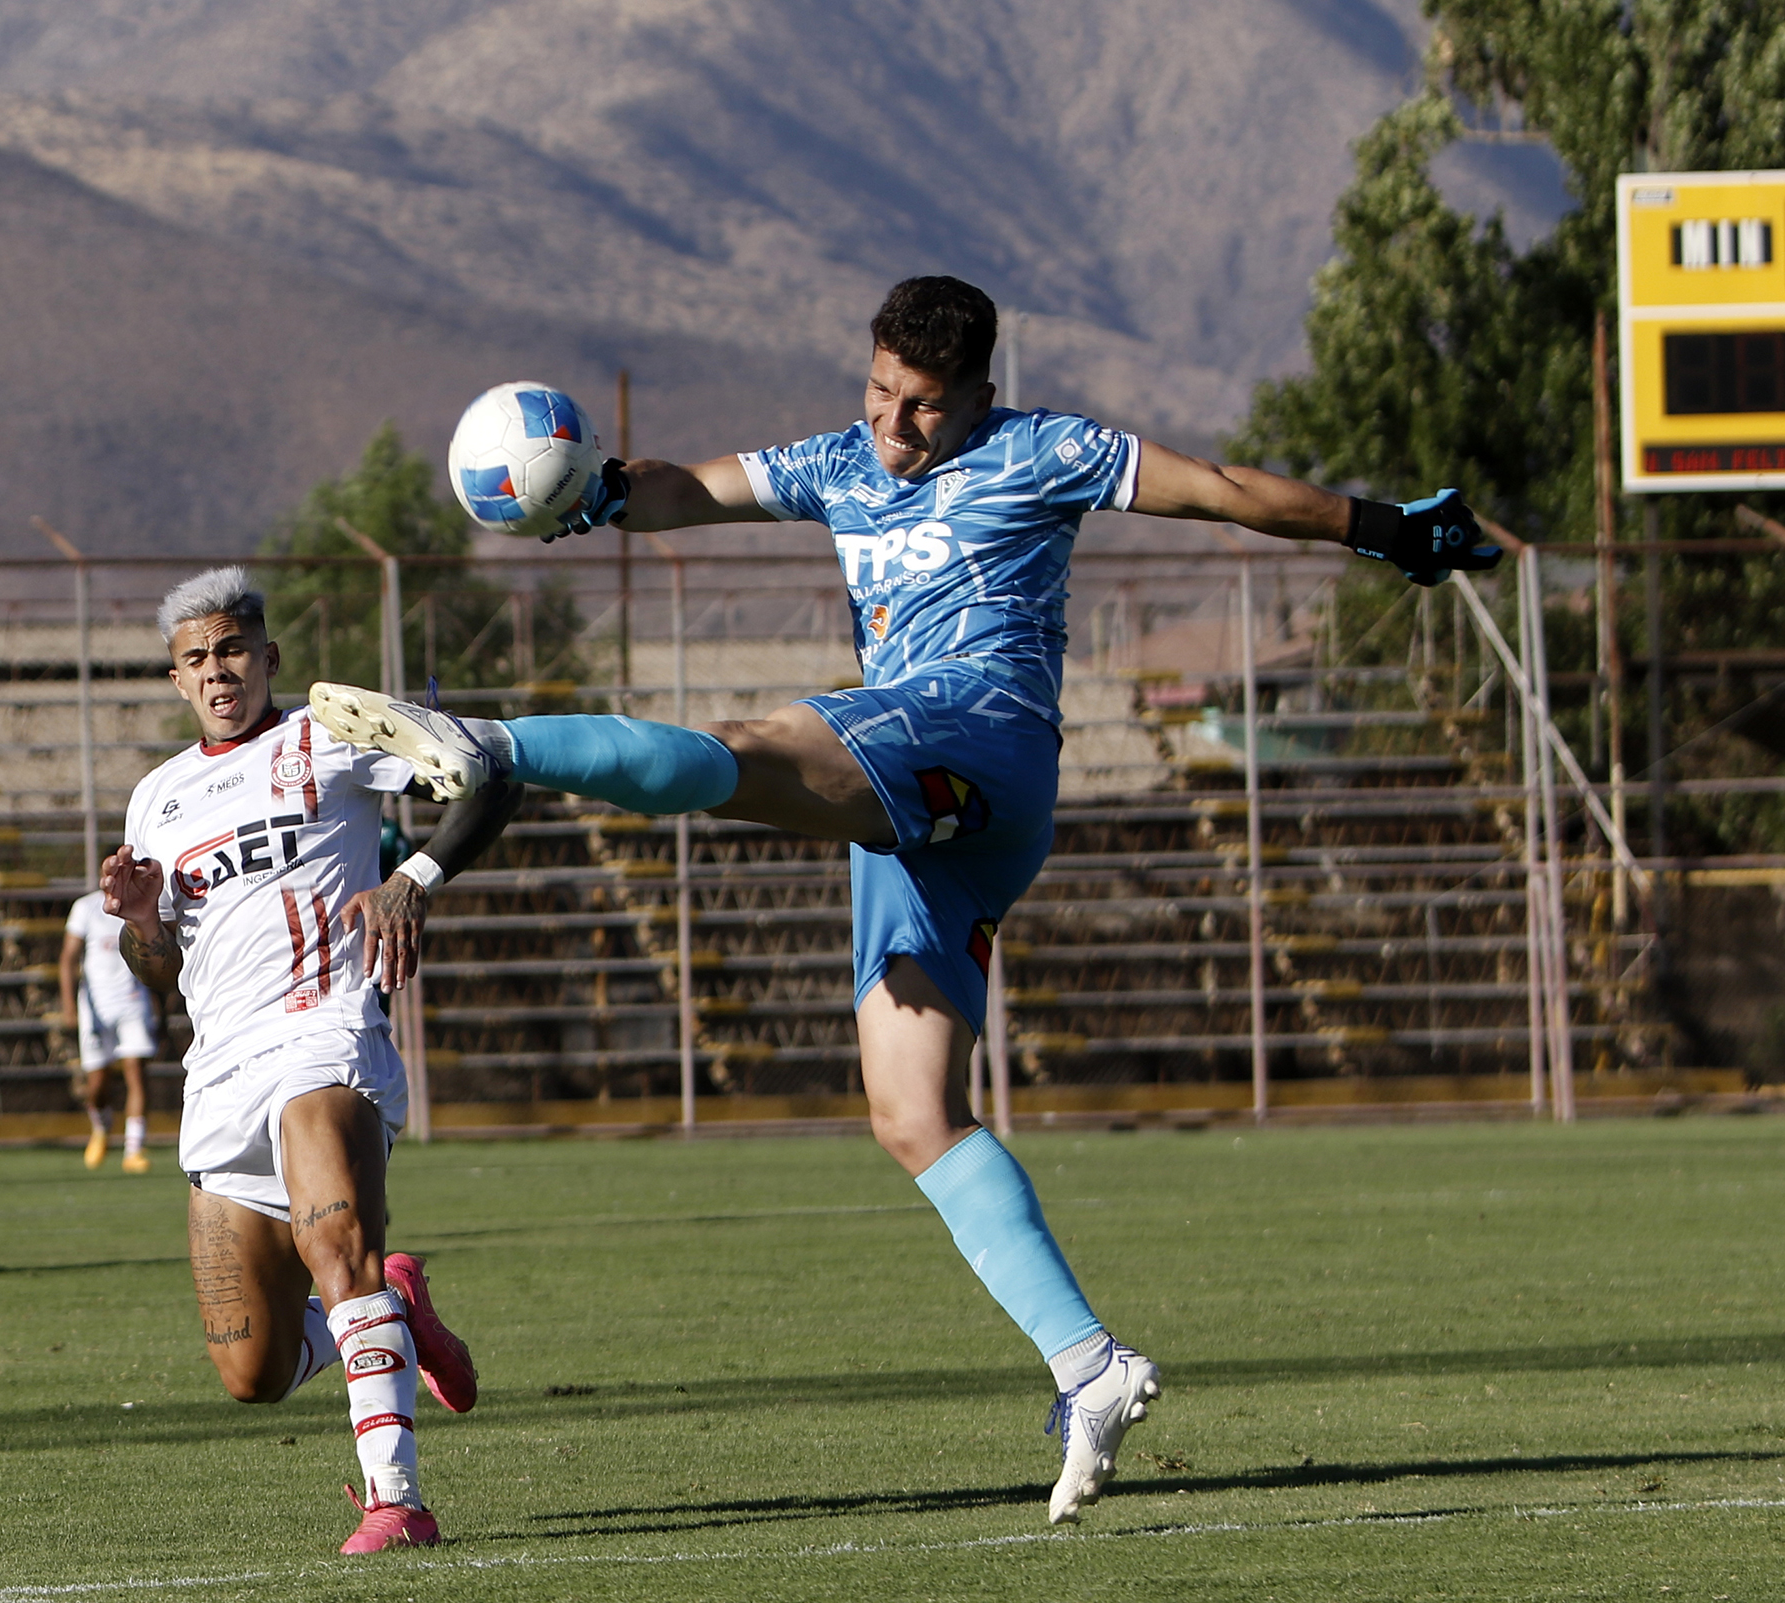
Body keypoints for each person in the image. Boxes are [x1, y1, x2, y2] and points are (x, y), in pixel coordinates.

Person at [311, 275, 1501, 1525]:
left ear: (980, 392)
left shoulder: (1049, 449)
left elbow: (1229, 488)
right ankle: (1091, 1365)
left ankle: (499, 747)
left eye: (925, 406)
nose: (895, 425)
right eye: (882, 393)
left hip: (976, 737)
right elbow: (689, 491)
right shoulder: (840, 459)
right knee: (910, 1108)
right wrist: (603, 490)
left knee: (753, 746)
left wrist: (1383, 529)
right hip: (926, 821)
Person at [104, 566, 521, 1554]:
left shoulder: (327, 733)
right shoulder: (155, 798)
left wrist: (414, 878)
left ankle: (398, 1500)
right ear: (175, 677)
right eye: (198, 659)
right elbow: (158, 969)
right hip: (220, 1071)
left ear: (270, 657)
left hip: (323, 1029)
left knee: (338, 1253)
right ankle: (394, 1307)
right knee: (251, 1369)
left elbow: (487, 772)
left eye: (235, 650)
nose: (219, 672)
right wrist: (136, 921)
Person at [60, 877, 162, 1172]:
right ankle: (101, 1128)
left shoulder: (141, 906)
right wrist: (69, 1004)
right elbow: (69, 957)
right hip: (96, 1007)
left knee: (136, 1074)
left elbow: (153, 954)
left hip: (133, 1001)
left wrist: (159, 1007)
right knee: (97, 1084)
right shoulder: (86, 907)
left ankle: (134, 1150)